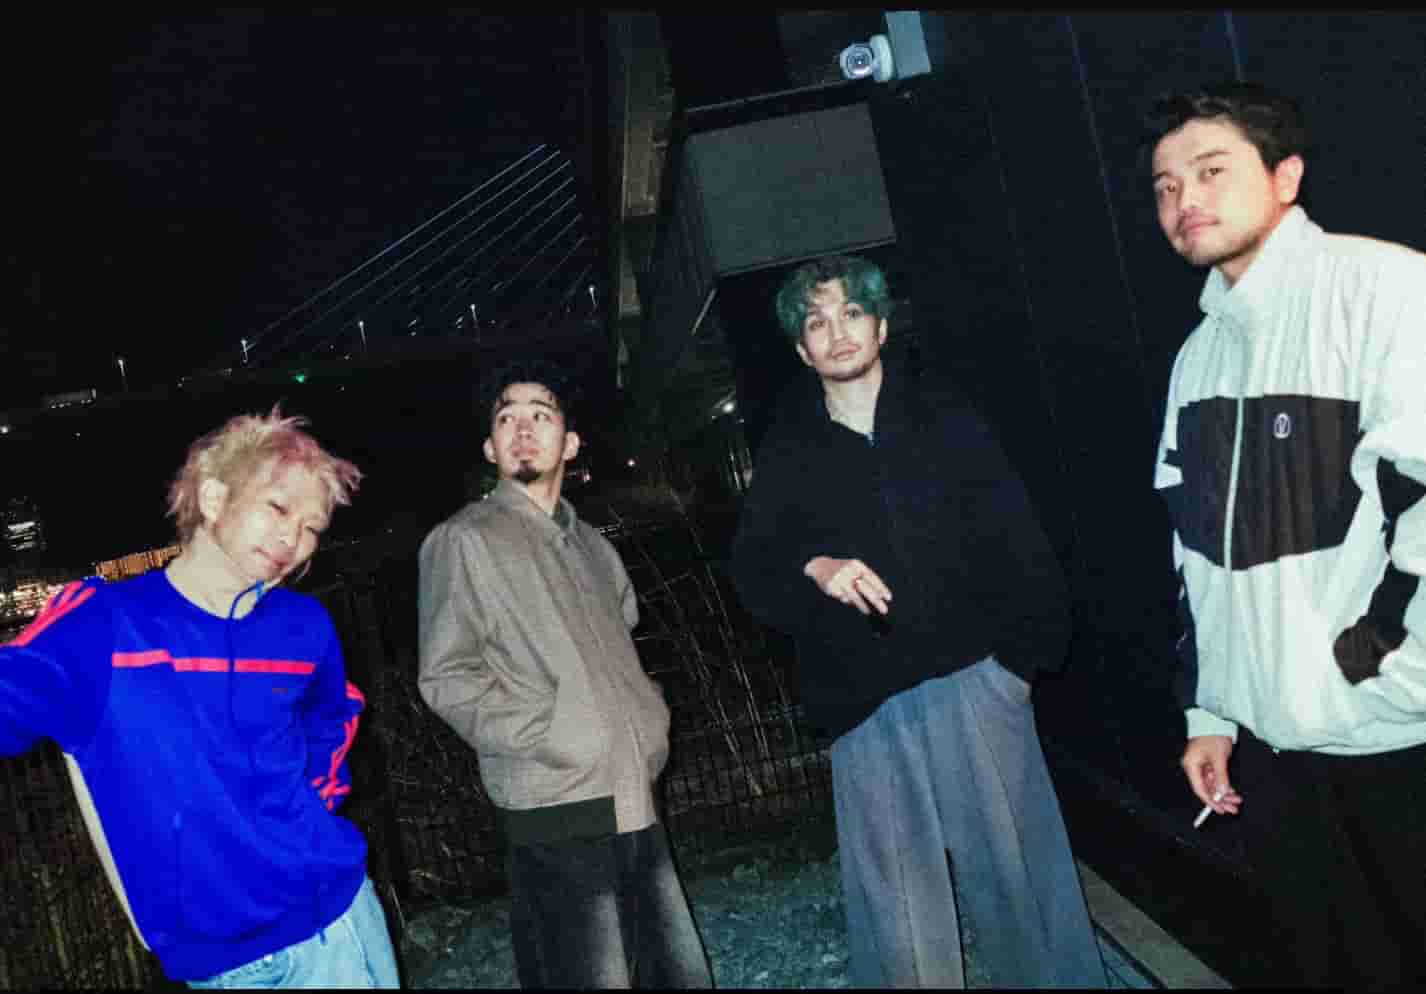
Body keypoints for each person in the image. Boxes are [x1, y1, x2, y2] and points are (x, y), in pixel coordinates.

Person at [728, 255, 1107, 988]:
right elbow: (754, 572)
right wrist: (816, 568)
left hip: (976, 681)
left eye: (851, 313)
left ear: (881, 327)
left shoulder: (945, 414)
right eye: (817, 322)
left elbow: (1019, 539)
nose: (837, 332)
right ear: (802, 349)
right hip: (865, 705)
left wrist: (1018, 669)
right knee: (899, 916)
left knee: (1024, 887)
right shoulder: (789, 448)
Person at [1148, 80, 1426, 988]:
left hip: (1397, 740)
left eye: (1211, 171)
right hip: (1276, 755)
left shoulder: (1385, 288)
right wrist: (1211, 712)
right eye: (1165, 185)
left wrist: (1383, 670)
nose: (1184, 200)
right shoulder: (1199, 355)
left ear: (1286, 176)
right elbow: (1193, 553)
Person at [0, 407, 399, 988]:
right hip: (215, 961)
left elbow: (334, 713)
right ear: (213, 498)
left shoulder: (304, 625)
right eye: (278, 508)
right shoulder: (103, 628)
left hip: (333, 921)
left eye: (312, 527)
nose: (293, 538)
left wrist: (308, 809)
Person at [416, 358, 711, 989]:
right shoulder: (463, 540)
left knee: (672, 974)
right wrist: (553, 734)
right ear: (490, 447)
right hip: (554, 801)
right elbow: (446, 675)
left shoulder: (594, 547)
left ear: (570, 444)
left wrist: (649, 716)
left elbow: (622, 643)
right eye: (507, 418)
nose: (523, 429)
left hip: (633, 793)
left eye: (541, 415)